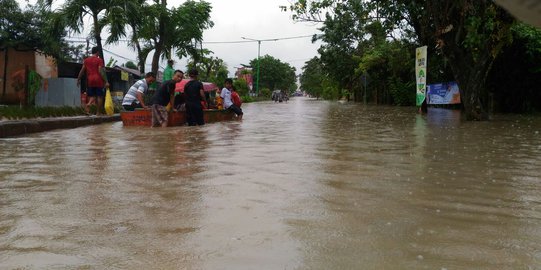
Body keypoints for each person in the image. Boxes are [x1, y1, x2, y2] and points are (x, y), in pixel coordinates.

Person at [77, 46, 109, 116]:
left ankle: (88, 104)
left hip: (90, 80)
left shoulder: (86, 60)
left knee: (93, 96)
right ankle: (98, 113)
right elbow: (100, 70)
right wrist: (106, 81)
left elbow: (82, 70)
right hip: (98, 80)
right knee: (99, 96)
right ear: (97, 52)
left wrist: (78, 79)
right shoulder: (99, 60)